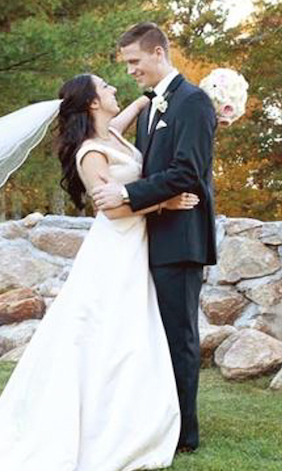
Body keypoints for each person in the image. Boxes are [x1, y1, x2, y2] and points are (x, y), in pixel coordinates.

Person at [0, 71, 202, 471]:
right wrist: (164, 205)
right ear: (94, 102)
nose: (115, 89)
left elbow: (130, 115)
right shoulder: (90, 152)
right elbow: (112, 209)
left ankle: (132, 413)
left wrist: (156, 97)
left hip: (136, 247)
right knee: (105, 335)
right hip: (116, 248)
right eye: (106, 87)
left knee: (131, 333)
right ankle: (96, 422)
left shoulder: (112, 134)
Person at [92, 22, 218, 453]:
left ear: (159, 53)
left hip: (181, 240)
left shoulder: (194, 102)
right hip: (152, 234)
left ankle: (185, 434)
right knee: (152, 337)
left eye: (134, 61)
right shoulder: (153, 104)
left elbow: (188, 172)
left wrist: (126, 192)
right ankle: (158, 420)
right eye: (126, 63)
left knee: (178, 337)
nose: (129, 70)